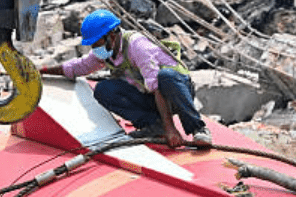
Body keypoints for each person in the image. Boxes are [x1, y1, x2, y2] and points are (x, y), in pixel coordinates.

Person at [39, 9, 212, 149]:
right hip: (151, 97)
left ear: (112, 36)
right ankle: (153, 125)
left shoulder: (138, 46)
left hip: (175, 92)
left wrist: (171, 130)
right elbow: (77, 67)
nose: (94, 48)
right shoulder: (107, 51)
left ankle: (198, 128)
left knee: (165, 76)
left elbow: (156, 86)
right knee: (104, 90)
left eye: (97, 44)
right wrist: (42, 70)